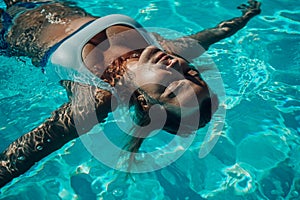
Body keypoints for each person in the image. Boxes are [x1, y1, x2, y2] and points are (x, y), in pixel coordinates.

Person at [0, 0, 261, 188]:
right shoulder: (167, 49)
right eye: (192, 74)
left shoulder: (95, 96)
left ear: (147, 105)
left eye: (172, 86)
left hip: (8, 33)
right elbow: (214, 35)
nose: (176, 67)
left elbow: (28, 151)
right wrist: (247, 17)